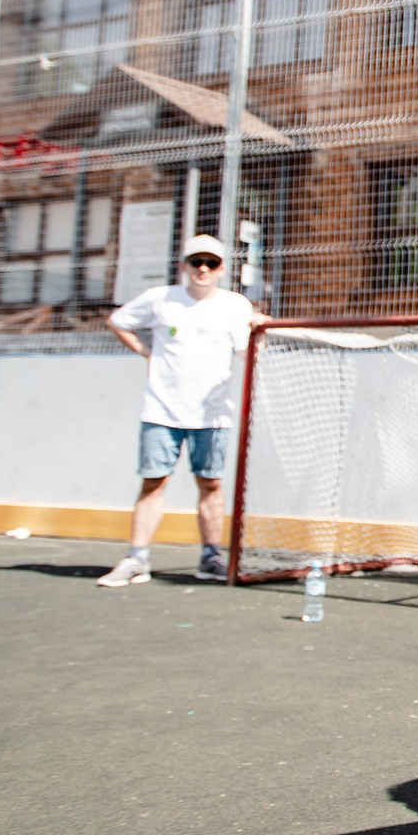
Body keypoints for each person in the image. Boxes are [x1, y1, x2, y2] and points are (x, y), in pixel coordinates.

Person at [96, 234, 259, 587]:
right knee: (153, 482)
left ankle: (210, 558)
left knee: (211, 484)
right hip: (161, 411)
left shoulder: (235, 306)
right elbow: (118, 321)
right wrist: (145, 352)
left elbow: (246, 353)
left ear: (222, 269)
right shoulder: (159, 299)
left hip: (212, 415)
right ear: (183, 265)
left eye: (211, 263)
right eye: (196, 262)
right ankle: (137, 559)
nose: (203, 269)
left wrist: (261, 329)